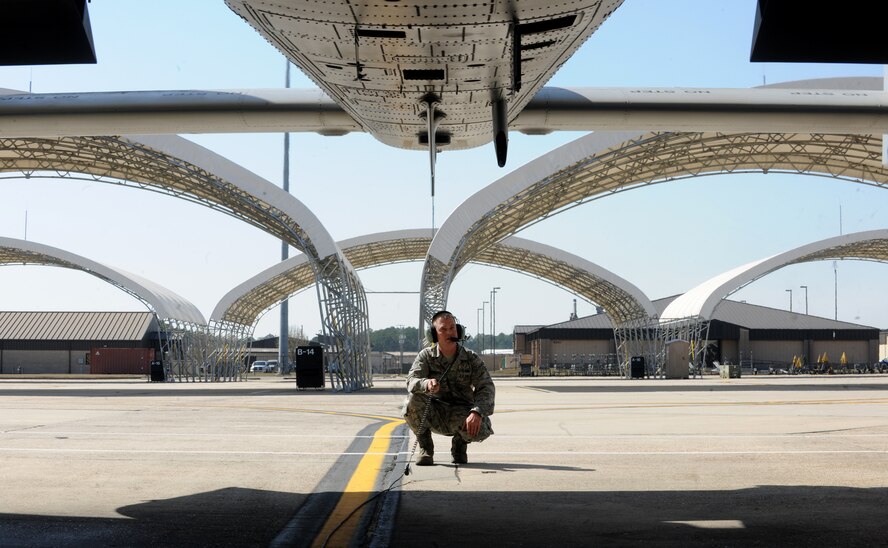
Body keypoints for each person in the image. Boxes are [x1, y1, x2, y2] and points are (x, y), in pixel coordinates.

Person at [404, 310, 495, 465]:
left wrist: (477, 412)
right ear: (433, 335)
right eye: (443, 329)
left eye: (452, 328)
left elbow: (486, 387)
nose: (449, 332)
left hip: (462, 414)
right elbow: (411, 380)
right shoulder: (426, 356)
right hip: (435, 413)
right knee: (411, 401)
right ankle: (425, 447)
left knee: (483, 427)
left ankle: (459, 445)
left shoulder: (470, 358)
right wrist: (426, 384)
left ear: (458, 331)